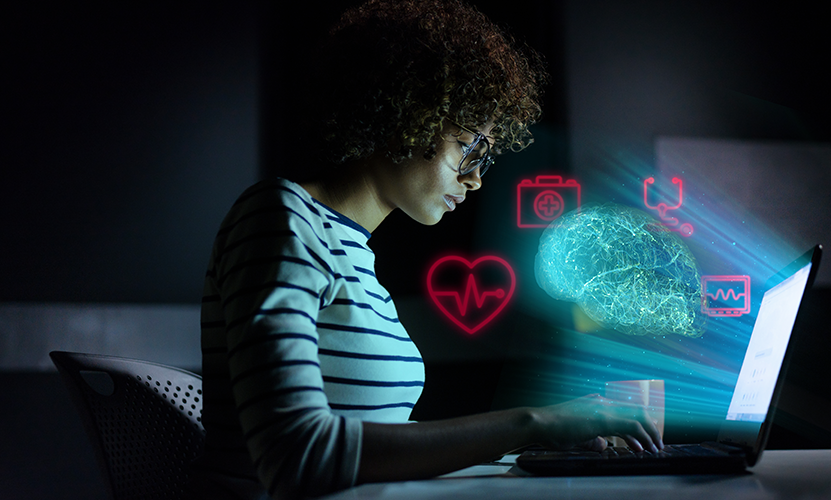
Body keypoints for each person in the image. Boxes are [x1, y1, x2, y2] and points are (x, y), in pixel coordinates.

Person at [188, 1, 662, 498]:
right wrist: (535, 423)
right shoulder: (280, 216)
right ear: (409, 112)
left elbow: (374, 438)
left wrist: (531, 449)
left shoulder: (356, 256)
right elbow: (297, 456)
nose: (477, 178)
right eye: (471, 146)